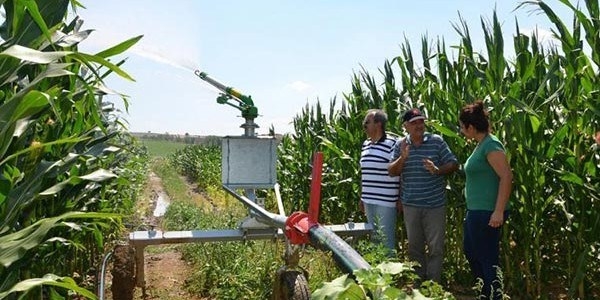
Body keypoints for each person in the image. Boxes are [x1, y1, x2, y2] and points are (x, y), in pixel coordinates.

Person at [388, 108, 459, 283]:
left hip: (435, 205)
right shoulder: (400, 145)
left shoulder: (436, 142)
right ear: (406, 126)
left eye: (421, 121)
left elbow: (453, 163)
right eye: (414, 123)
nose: (419, 125)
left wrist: (437, 170)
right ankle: (419, 284)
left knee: (436, 248)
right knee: (415, 248)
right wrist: (403, 158)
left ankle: (433, 284)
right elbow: (391, 171)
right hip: (411, 205)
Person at [459, 100, 513, 300]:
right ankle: (485, 293)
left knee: (487, 258)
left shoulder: (491, 144)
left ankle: (494, 295)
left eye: (462, 127)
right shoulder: (482, 145)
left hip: (487, 212)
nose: (462, 131)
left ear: (471, 127)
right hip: (477, 211)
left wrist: (498, 211)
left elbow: (506, 176)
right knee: (472, 252)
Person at [360, 109, 401, 254]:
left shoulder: (393, 143)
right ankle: (376, 274)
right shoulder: (366, 144)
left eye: (366, 123)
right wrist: (362, 197)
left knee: (386, 241)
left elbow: (400, 170)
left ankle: (390, 273)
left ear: (378, 124)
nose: (364, 126)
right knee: (375, 240)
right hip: (369, 200)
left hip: (386, 201)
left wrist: (400, 198)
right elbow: (364, 173)